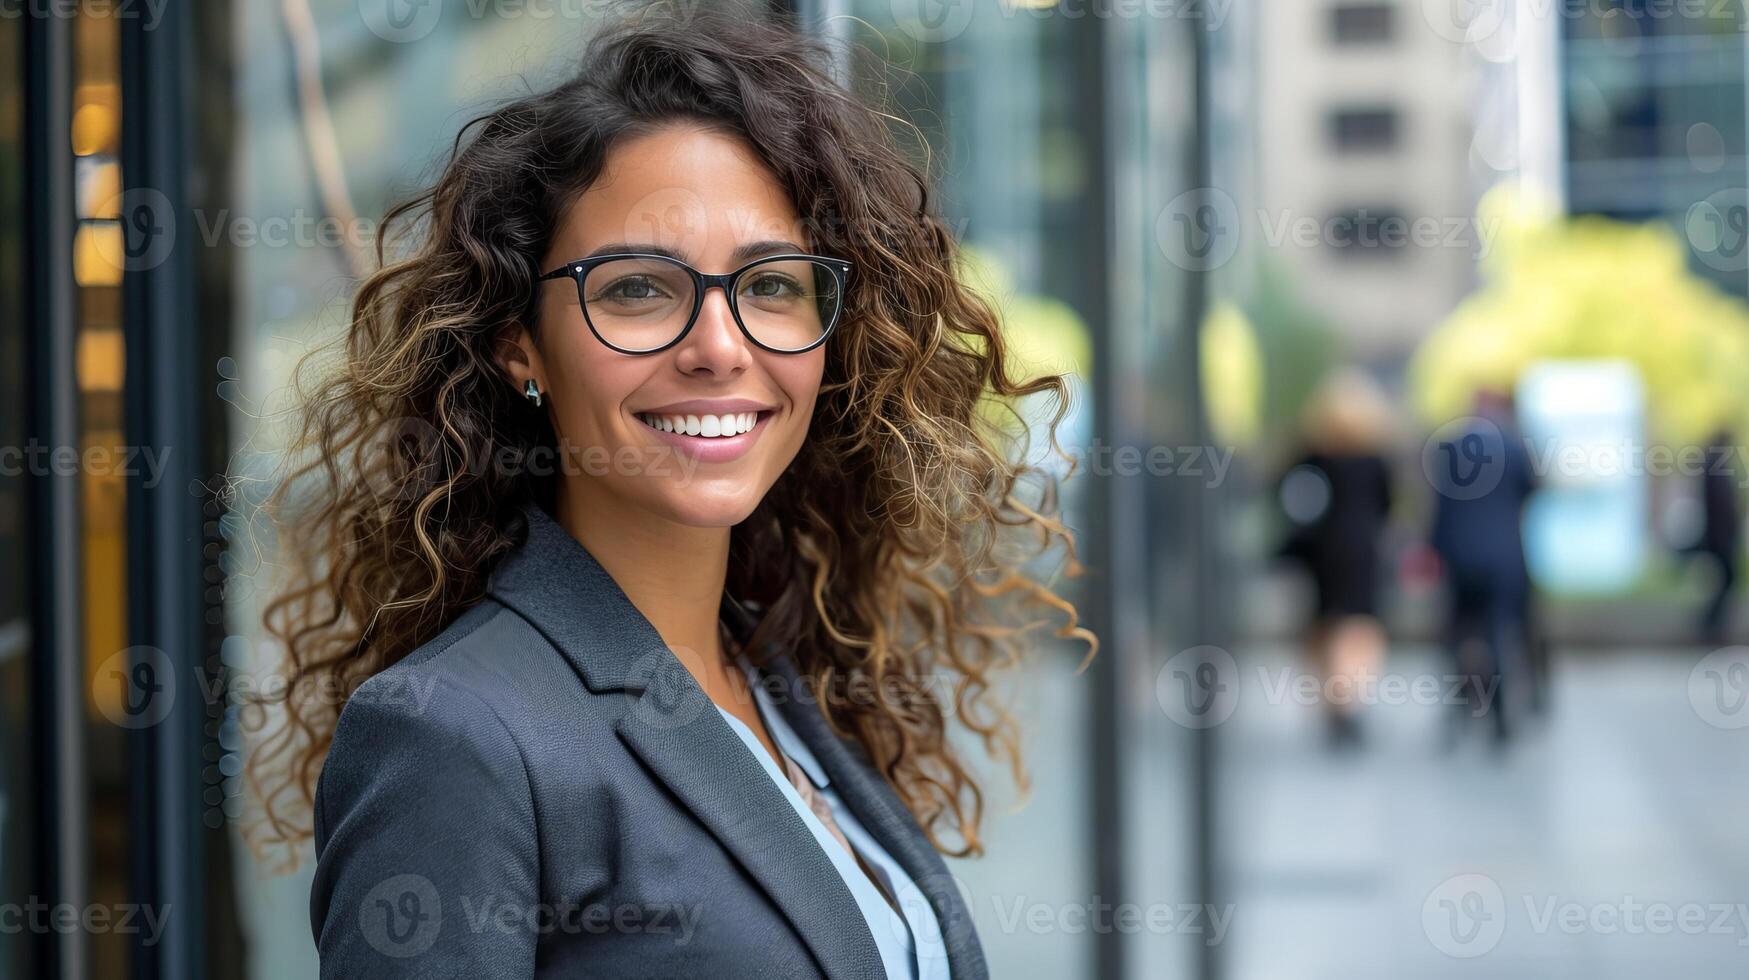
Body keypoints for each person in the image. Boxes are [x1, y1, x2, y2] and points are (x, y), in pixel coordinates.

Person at [248, 8, 1094, 978]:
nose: (720, 348)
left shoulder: (769, 671)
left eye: (771, 284)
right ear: (518, 341)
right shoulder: (455, 735)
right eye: (638, 289)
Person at [1276, 369, 1396, 749]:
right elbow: (1388, 506)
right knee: (1359, 628)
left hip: (1322, 553)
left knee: (1326, 627)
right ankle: (1349, 699)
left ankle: (1334, 700)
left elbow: (1284, 495)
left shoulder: (1311, 455)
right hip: (1362, 551)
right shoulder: (1375, 459)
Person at [1428, 391, 1537, 747]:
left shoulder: (1451, 446)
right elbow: (1532, 491)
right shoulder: (1515, 447)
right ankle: (1500, 712)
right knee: (1498, 634)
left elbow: (1438, 504)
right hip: (1504, 557)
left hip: (1460, 557)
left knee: (1459, 635)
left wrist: (1436, 550)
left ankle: (1461, 707)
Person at [1695, 427, 1742, 643]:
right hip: (1721, 536)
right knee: (1728, 578)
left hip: (1721, 534)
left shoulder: (1714, 465)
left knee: (1726, 579)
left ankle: (1710, 624)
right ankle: (1708, 624)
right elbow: (1721, 505)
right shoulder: (1716, 467)